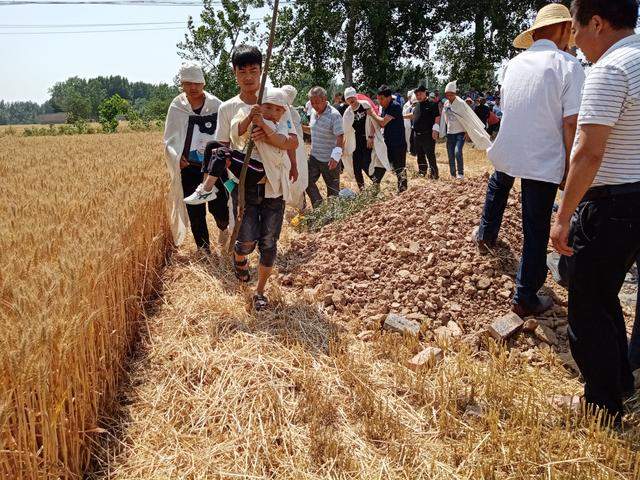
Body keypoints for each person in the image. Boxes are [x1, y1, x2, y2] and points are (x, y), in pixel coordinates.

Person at [551, 0, 640, 423]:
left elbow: (588, 152)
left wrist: (564, 215)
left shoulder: (609, 68)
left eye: (576, 29)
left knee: (589, 305)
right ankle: (623, 385)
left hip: (614, 205)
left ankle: (602, 406)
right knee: (609, 301)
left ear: (598, 22)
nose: (575, 42)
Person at [474, 3, 584, 319]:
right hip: (542, 157)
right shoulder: (568, 65)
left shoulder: (513, 64)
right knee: (535, 227)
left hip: (509, 149)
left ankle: (486, 234)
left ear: (535, 33)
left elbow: (513, 108)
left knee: (499, 185)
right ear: (564, 29)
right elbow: (571, 124)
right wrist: (568, 168)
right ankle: (525, 297)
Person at [163, 61, 229, 252]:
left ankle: (223, 226)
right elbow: (169, 139)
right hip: (189, 167)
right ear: (182, 84)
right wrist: (177, 158)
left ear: (203, 83)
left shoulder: (217, 105)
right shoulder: (177, 106)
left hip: (214, 167)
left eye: (196, 83)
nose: (192, 88)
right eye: (187, 83)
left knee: (219, 206)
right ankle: (204, 249)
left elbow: (226, 133)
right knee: (195, 209)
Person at [437, 81, 492, 179]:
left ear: (455, 94)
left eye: (451, 94)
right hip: (450, 133)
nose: (449, 96)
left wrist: (467, 131)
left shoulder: (461, 104)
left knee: (457, 152)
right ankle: (453, 174)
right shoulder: (446, 104)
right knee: (450, 154)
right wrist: (445, 130)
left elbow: (467, 118)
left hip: (460, 133)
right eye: (447, 95)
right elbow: (445, 117)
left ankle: (460, 173)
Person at [302, 87, 345, 208]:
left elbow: (340, 137)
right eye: (312, 102)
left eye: (317, 102)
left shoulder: (334, 115)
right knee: (305, 180)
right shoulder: (314, 113)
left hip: (329, 160)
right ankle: (319, 206)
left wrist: (336, 156)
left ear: (325, 99)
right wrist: (299, 127)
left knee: (333, 191)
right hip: (314, 158)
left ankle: (332, 219)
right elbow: (313, 130)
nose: (314, 105)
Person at [342, 86, 390, 190]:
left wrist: (371, 137)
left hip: (367, 138)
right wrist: (343, 146)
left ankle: (376, 183)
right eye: (348, 98)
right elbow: (345, 130)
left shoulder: (364, 105)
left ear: (356, 96)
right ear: (346, 100)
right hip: (356, 141)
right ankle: (362, 190)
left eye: (352, 97)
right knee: (356, 168)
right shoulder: (348, 113)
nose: (351, 100)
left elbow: (372, 120)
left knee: (367, 164)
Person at [368, 84, 408, 192]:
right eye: (378, 99)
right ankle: (375, 188)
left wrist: (372, 113)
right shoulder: (385, 108)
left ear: (389, 97)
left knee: (400, 169)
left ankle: (403, 192)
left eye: (382, 99)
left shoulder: (395, 106)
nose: (380, 101)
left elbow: (382, 123)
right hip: (388, 144)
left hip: (398, 144)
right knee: (380, 166)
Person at [282, 85, 309, 211]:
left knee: (297, 180)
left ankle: (301, 206)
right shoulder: (276, 109)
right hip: (281, 150)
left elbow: (296, 136)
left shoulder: (293, 113)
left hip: (295, 151)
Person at [412, 85, 441, 179]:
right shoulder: (417, 105)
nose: (418, 96)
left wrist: (435, 129)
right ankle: (422, 172)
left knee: (430, 155)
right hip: (417, 135)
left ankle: (434, 174)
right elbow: (413, 116)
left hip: (428, 134)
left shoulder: (432, 104)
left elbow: (437, 117)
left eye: (420, 94)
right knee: (420, 156)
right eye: (416, 94)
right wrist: (402, 116)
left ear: (425, 93)